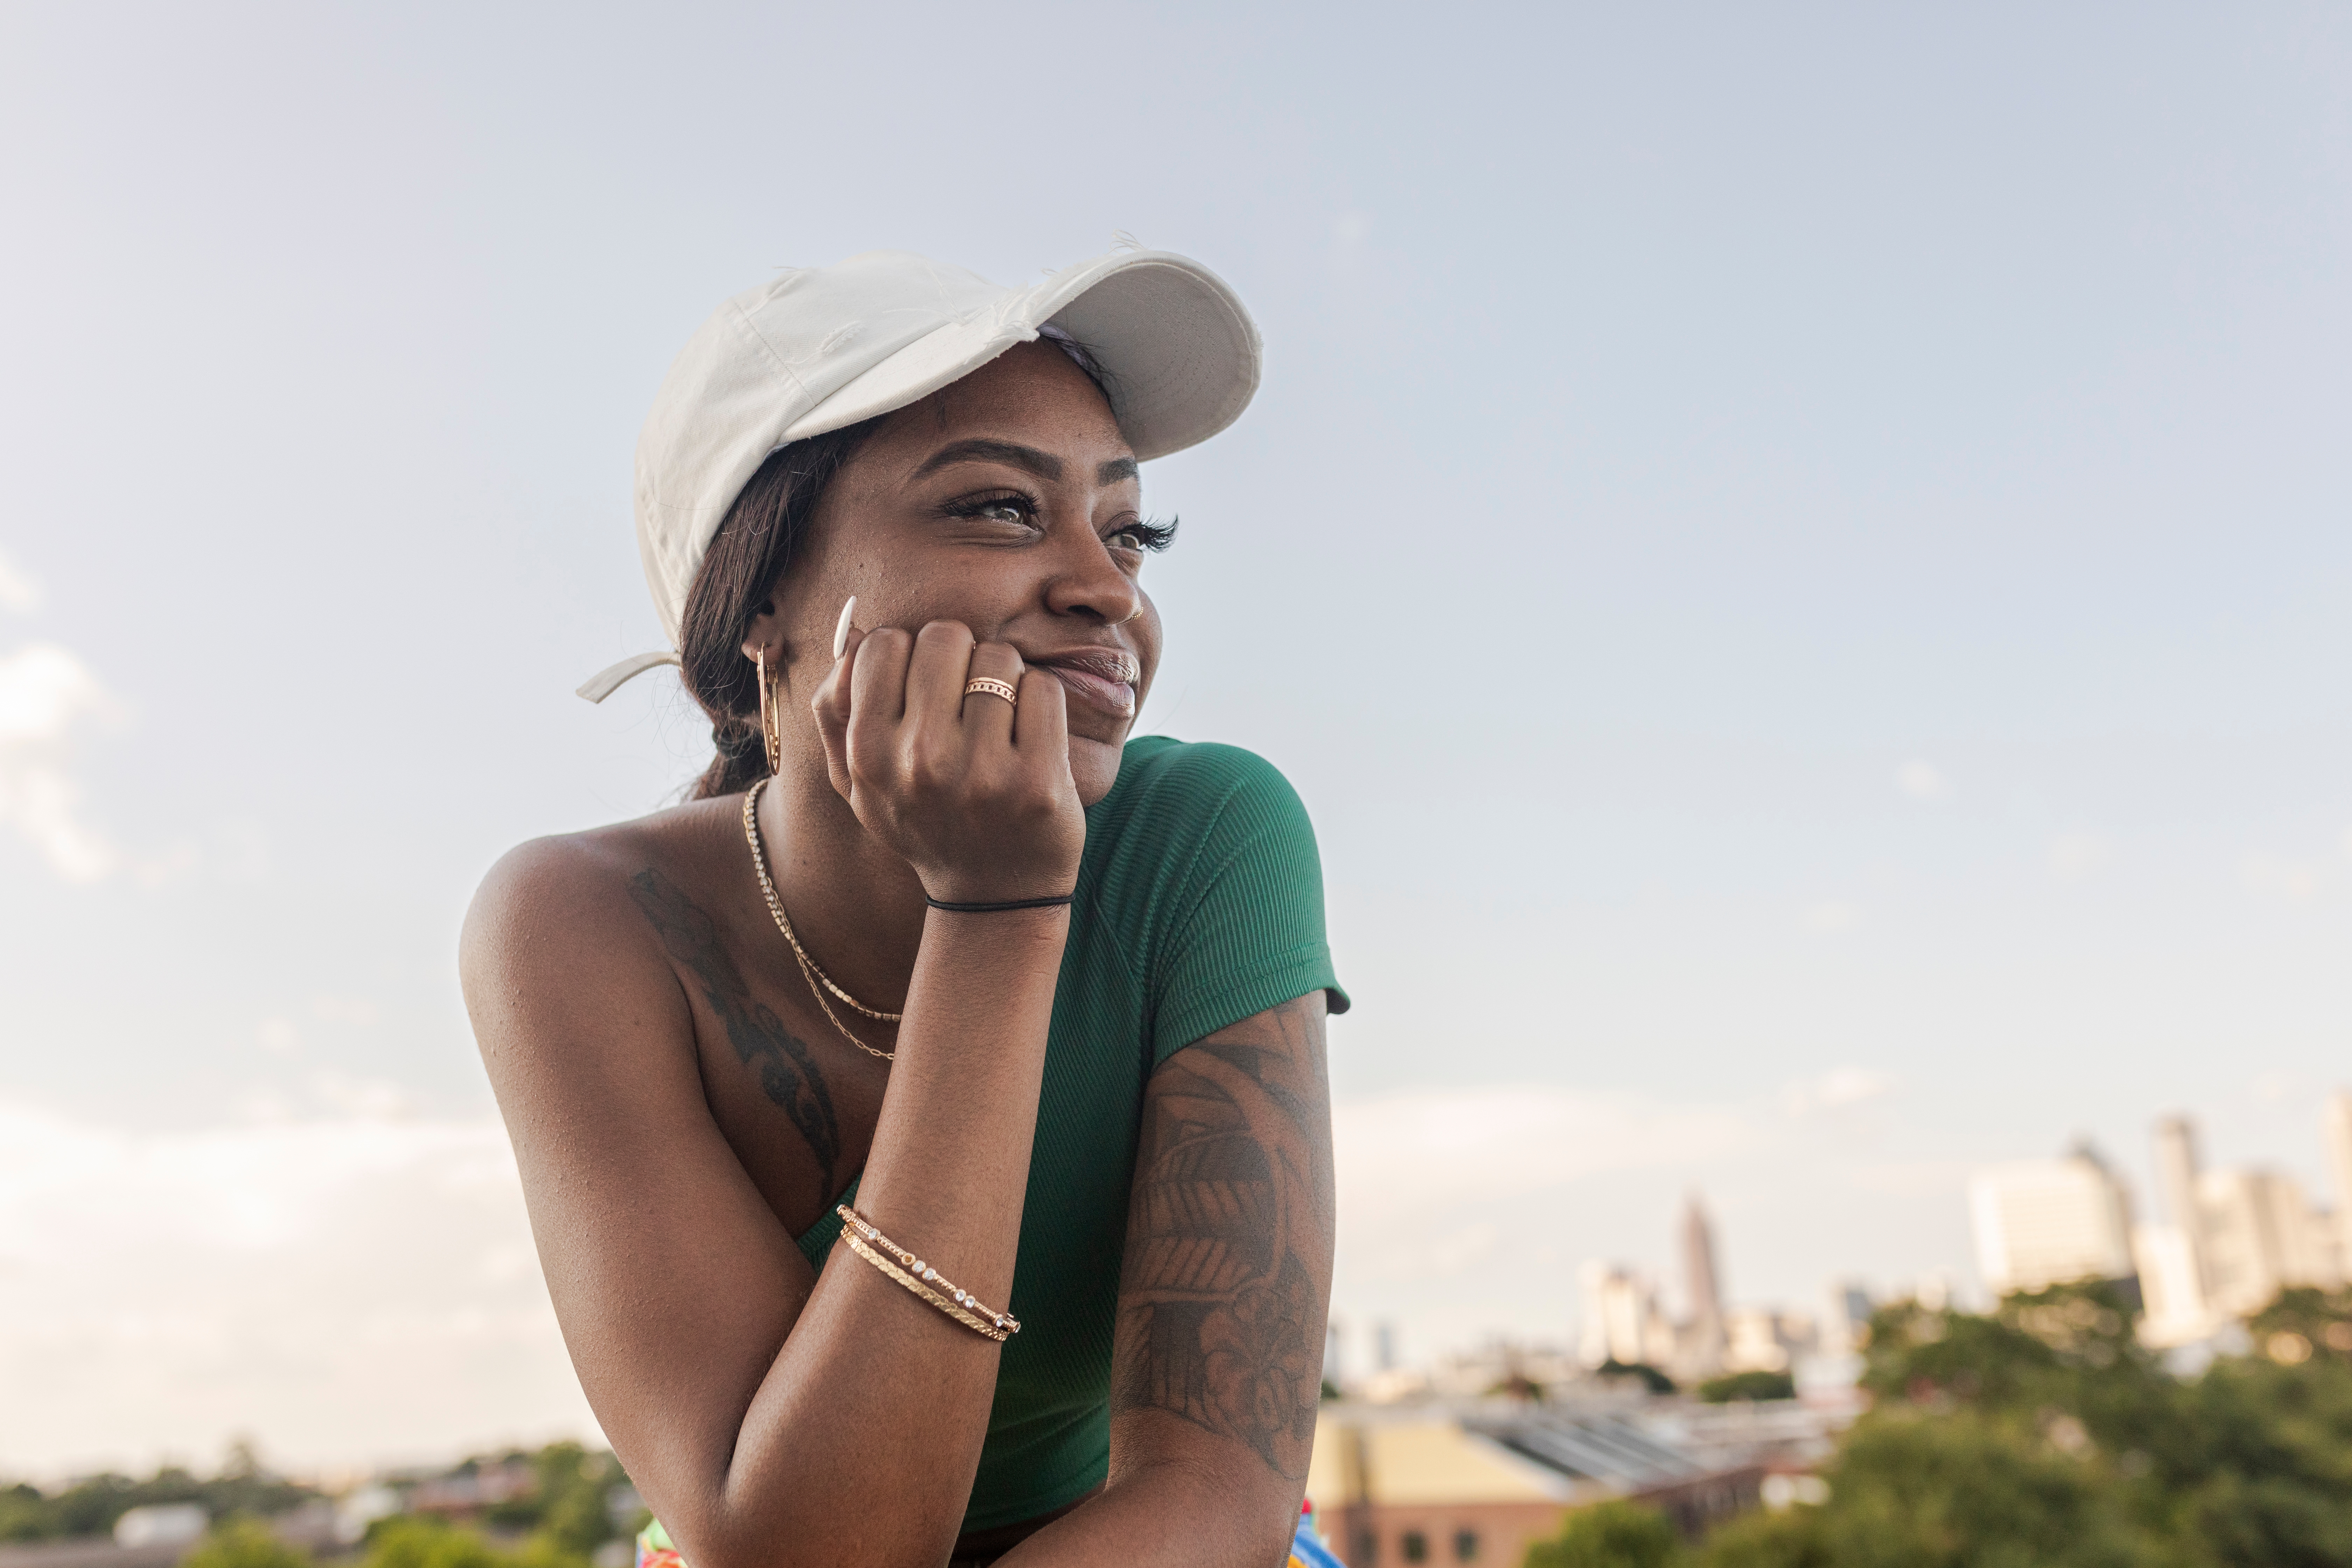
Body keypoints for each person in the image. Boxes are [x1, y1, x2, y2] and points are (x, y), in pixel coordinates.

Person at [461, 247, 1349, 1567]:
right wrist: (997, 916)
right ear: (756, 598)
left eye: (1128, 531)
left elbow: (1219, 1498)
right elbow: (805, 1552)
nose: (1109, 591)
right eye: (998, 508)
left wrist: (1013, 903)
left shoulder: (1208, 838)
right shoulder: (582, 926)